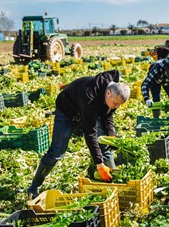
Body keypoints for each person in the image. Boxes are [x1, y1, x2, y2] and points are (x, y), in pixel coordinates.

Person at [27, 70, 130, 199]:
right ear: (108, 93)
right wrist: (99, 164)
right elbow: (90, 134)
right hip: (67, 113)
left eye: (119, 105)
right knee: (57, 152)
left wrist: (111, 133)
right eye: (115, 103)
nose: (115, 107)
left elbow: (107, 114)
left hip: (88, 111)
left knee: (104, 146)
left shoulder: (111, 92)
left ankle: (114, 185)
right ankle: (34, 186)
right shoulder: (89, 97)